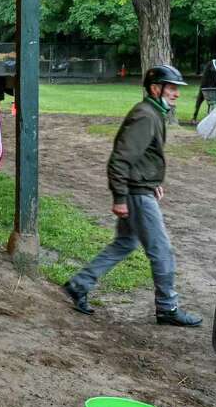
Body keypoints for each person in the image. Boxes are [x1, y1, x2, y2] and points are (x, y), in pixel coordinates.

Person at [63, 64, 203, 327]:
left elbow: (142, 157)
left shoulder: (153, 113)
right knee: (161, 251)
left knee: (125, 243)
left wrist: (152, 181)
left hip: (140, 189)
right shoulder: (146, 116)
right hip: (136, 196)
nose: (177, 94)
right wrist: (120, 197)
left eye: (176, 89)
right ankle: (167, 308)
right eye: (172, 88)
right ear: (155, 88)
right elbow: (120, 159)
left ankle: (79, 285)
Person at [191, 58, 216, 124]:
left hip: (206, 86)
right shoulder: (213, 67)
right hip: (208, 86)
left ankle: (195, 117)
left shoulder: (210, 66)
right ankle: (195, 117)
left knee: (202, 102)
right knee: (209, 102)